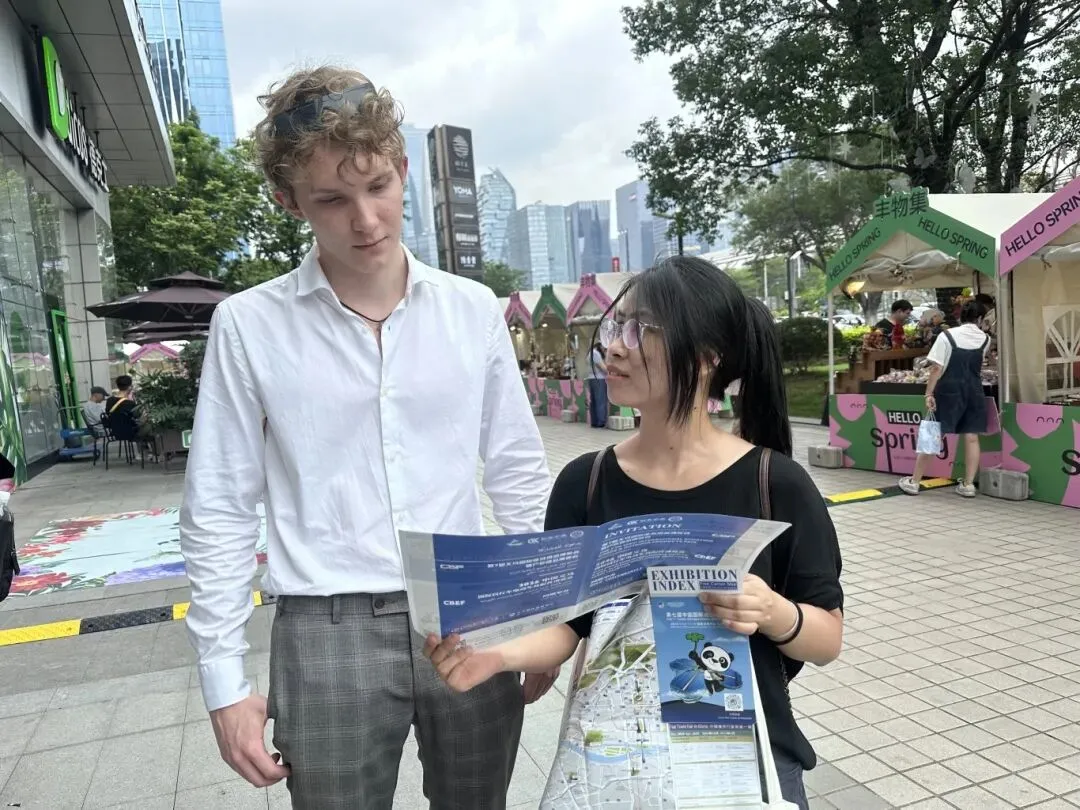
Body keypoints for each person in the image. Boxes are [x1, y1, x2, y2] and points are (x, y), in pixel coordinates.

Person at [178, 65, 554, 810]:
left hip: (470, 609)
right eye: (331, 199)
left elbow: (517, 470)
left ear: (403, 169)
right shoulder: (249, 326)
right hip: (326, 627)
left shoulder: (472, 310)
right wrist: (224, 682)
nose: (367, 220)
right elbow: (219, 503)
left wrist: (541, 618)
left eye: (378, 186)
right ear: (289, 200)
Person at [422, 256, 845, 809]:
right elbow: (568, 626)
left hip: (744, 766)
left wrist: (772, 611)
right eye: (618, 327)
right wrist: (495, 656)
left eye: (641, 330)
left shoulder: (776, 483)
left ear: (706, 357)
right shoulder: (587, 482)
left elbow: (826, 639)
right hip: (621, 765)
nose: (615, 347)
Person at [900, 300, 990, 498]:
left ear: (960, 316)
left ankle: (914, 482)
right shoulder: (985, 339)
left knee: (934, 434)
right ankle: (968, 485)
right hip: (974, 391)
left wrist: (929, 393)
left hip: (948, 390)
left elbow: (936, 368)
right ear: (980, 318)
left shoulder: (947, 336)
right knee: (971, 437)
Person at [585, 341, 608, 428]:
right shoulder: (596, 353)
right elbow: (603, 368)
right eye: (604, 348)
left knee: (594, 401)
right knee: (601, 400)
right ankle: (601, 421)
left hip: (591, 378)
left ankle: (594, 421)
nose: (604, 350)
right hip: (599, 379)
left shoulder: (590, 353)